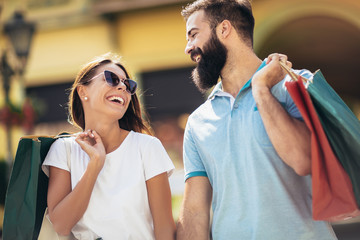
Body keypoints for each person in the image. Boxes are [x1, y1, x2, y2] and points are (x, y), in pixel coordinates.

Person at [176, 1, 338, 239]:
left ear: (224, 29)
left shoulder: (296, 85)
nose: (188, 47)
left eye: (193, 35)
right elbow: (194, 209)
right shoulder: (198, 122)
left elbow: (303, 159)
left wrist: (260, 89)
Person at [42, 53, 176, 240]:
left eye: (128, 85)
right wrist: (95, 165)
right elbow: (61, 226)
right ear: (83, 92)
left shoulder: (147, 147)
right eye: (111, 79)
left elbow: (165, 228)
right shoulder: (63, 150)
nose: (122, 87)